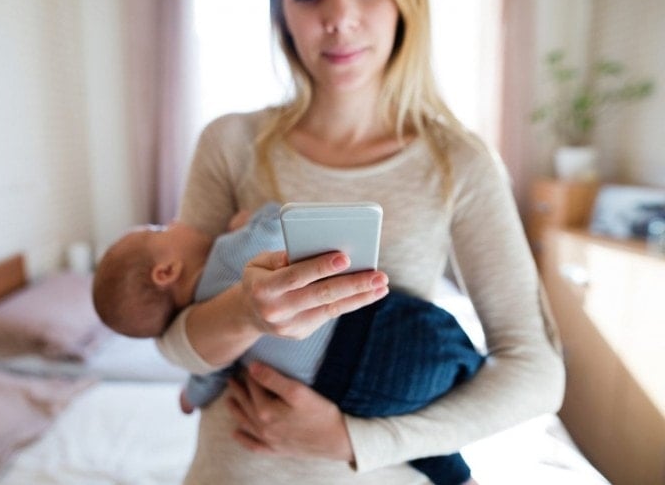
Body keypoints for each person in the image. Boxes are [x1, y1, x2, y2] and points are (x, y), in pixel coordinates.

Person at [102, 0, 566, 483]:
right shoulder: (230, 143)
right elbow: (170, 340)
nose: (339, 18)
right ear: (282, 13)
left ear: (406, 0)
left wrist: (352, 439)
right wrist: (245, 312)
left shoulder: (460, 162)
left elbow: (536, 374)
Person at [92, 202, 485, 485]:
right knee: (447, 346)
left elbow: (211, 374)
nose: (175, 220)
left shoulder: (209, 330)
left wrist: (190, 398)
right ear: (166, 271)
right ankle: (480, 372)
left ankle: (455, 474)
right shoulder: (228, 256)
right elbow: (276, 222)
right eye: (160, 231)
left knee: (406, 418)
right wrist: (249, 218)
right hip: (372, 335)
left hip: (343, 393)